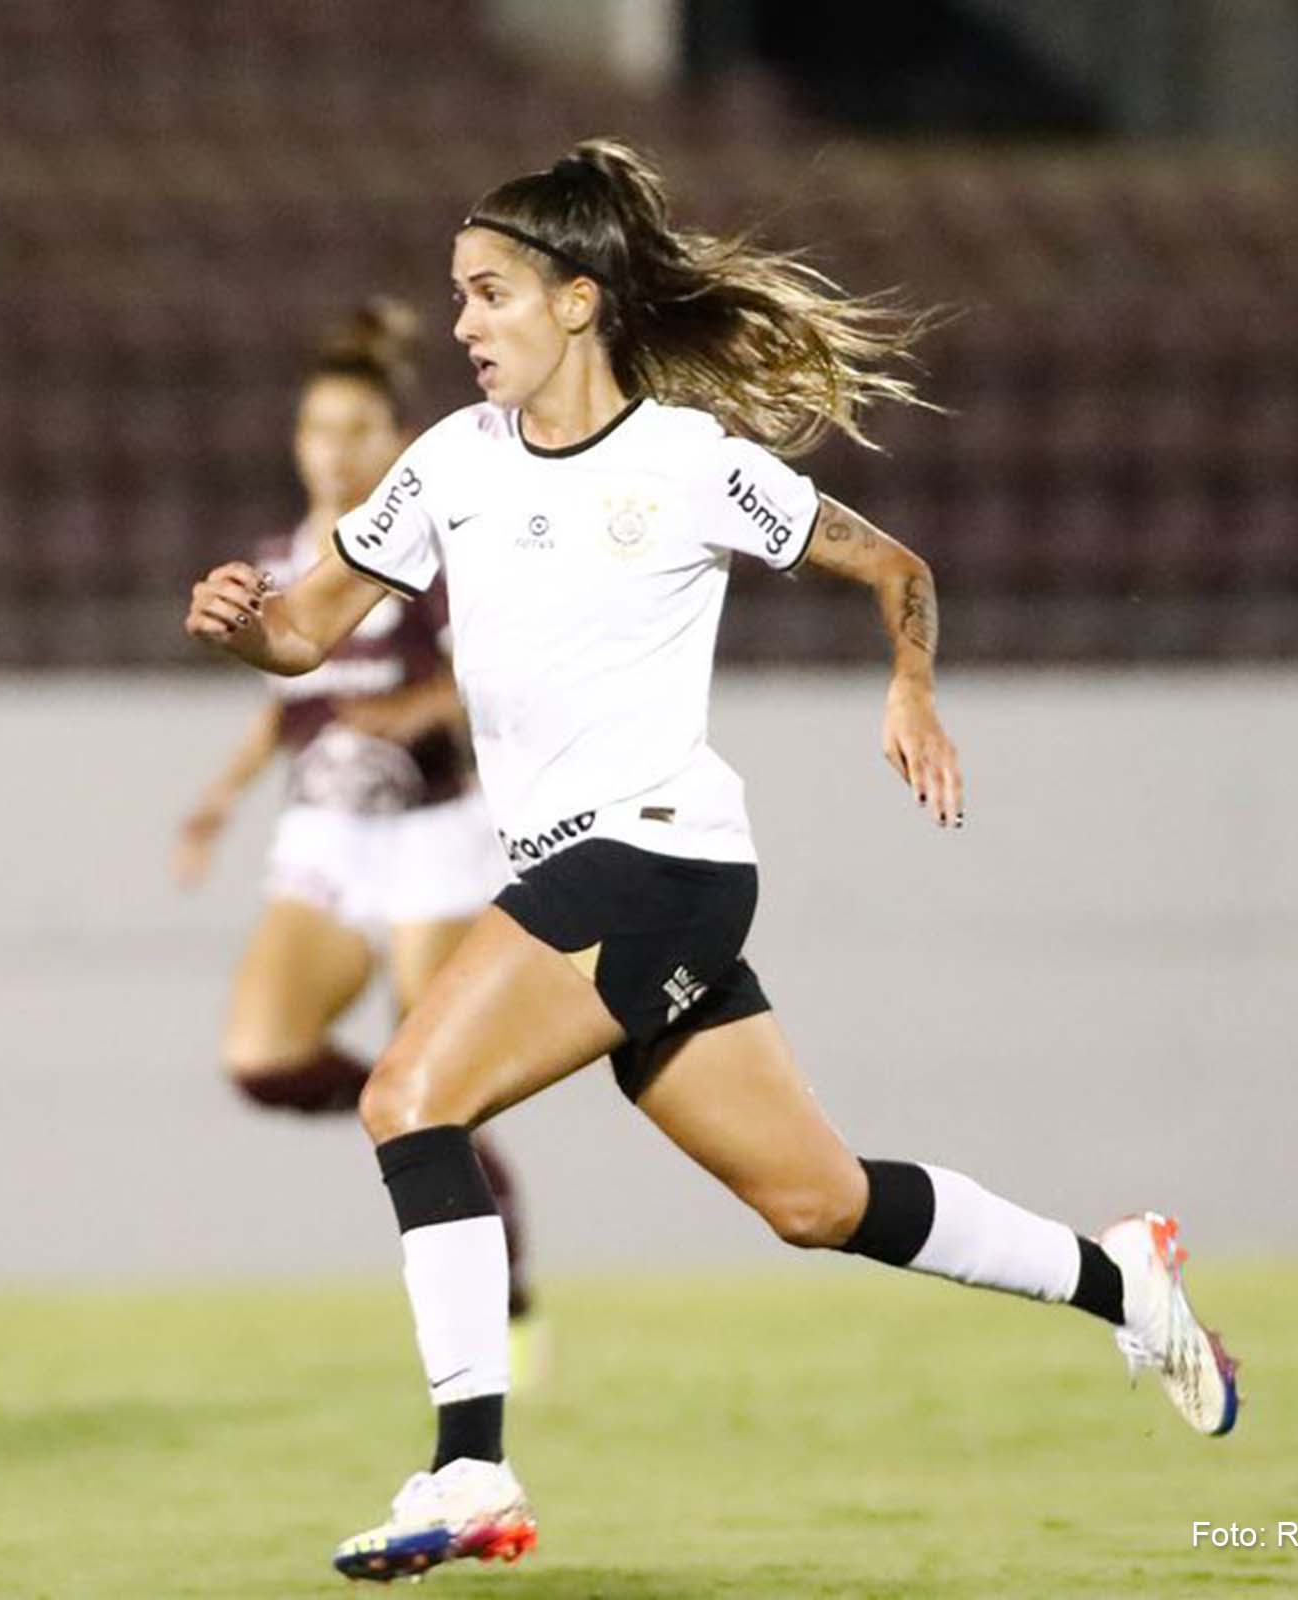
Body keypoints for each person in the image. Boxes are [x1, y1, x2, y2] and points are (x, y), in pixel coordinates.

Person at [184, 141, 1240, 1585]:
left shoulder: (686, 465)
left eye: (488, 293)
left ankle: (469, 1468)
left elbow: (895, 567)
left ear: (578, 300)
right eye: (458, 296)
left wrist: (911, 684)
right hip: (595, 877)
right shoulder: (450, 466)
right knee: (819, 1204)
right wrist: (245, 619)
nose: (465, 323)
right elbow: (304, 633)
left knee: (406, 1095)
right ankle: (1128, 1280)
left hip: (656, 864)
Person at [172, 300, 540, 1337]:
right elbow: (287, 697)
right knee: (262, 1055)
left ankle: (486, 1292)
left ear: (394, 443)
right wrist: (222, 793)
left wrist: (405, 711)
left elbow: (481, 675)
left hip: (435, 837)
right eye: (314, 430)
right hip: (328, 838)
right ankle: (416, 1126)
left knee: (442, 1083)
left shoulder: (430, 546)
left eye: (353, 431)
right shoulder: (280, 556)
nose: (330, 452)